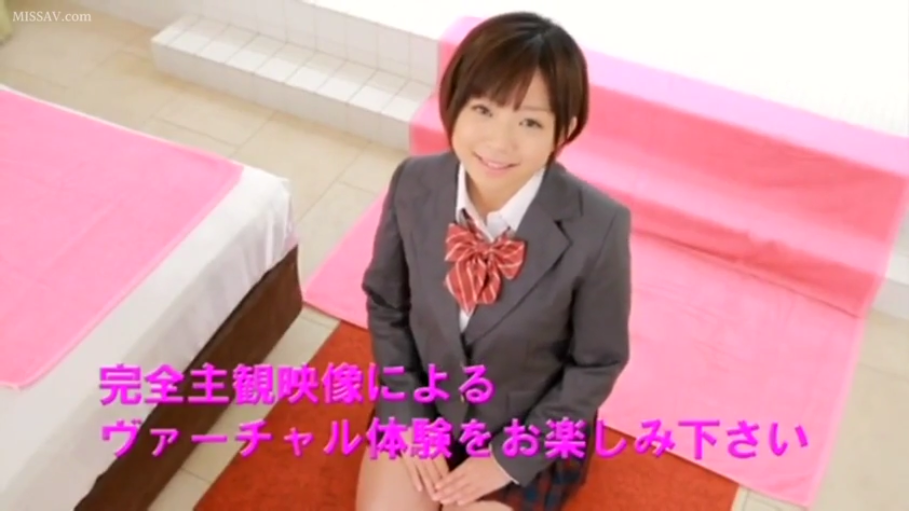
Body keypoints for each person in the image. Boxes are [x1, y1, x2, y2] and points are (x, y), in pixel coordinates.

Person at [356, 11, 631, 511]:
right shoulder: (414, 182)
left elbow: (597, 363)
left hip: (528, 429)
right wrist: (409, 416)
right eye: (483, 109)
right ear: (454, 103)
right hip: (426, 405)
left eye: (529, 121)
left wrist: (508, 458)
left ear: (563, 130)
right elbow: (387, 306)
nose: (499, 143)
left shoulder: (599, 225)